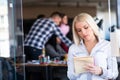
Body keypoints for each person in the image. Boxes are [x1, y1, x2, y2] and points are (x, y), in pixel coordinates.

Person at [67, 13, 118, 80]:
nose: (83, 32)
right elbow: (70, 76)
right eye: (79, 30)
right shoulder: (73, 49)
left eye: (86, 27)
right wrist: (78, 70)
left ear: (92, 25)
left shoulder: (109, 45)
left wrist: (101, 71)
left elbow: (114, 73)